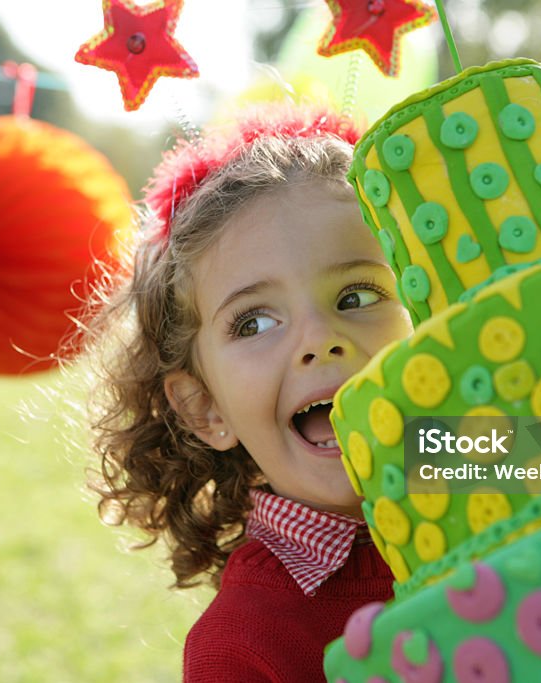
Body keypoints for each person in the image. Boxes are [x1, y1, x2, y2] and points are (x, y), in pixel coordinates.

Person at [84, 105, 414, 682]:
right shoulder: (242, 645)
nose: (320, 340)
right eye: (254, 323)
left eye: (358, 296)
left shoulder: (496, 457)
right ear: (204, 407)